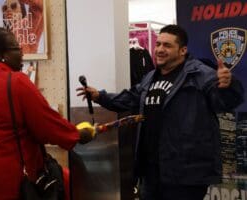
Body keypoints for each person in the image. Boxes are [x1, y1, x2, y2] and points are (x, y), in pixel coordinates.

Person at [77, 24, 244, 200]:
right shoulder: (151, 77)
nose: (159, 49)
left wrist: (229, 86)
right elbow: (130, 98)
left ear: (182, 50)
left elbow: (225, 102)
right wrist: (99, 96)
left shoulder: (200, 74)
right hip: (151, 171)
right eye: (158, 44)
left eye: (167, 45)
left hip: (185, 174)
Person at [0, 26, 95, 200]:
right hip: (0, 180)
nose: (22, 53)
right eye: (17, 48)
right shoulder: (16, 82)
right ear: (1, 55)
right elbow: (48, 126)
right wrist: (77, 134)